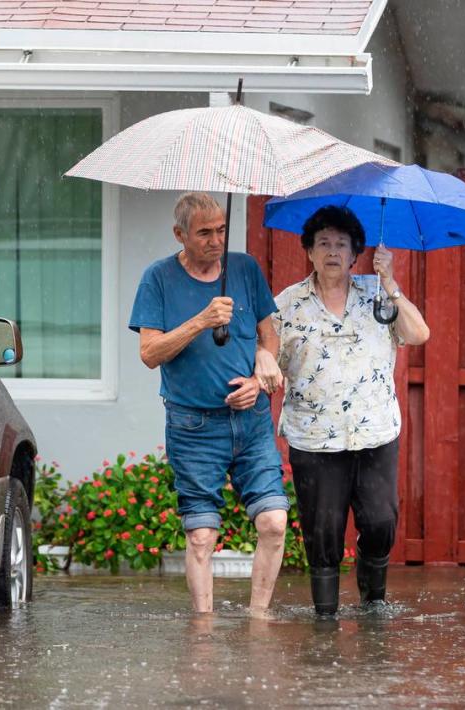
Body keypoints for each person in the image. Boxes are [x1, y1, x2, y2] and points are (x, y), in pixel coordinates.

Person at [129, 192, 289, 615]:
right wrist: (202, 319)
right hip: (193, 425)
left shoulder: (246, 269)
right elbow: (150, 353)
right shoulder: (158, 278)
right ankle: (202, 633)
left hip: (251, 419)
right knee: (201, 536)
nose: (216, 240)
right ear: (179, 234)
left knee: (273, 522)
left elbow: (267, 335)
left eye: (221, 230)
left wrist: (260, 372)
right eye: (204, 233)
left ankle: (259, 618)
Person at [273, 205, 430, 616]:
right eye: (322, 243)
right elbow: (266, 357)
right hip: (315, 437)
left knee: (380, 522)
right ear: (308, 250)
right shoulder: (287, 305)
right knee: (322, 532)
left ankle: (372, 604)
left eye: (341, 244)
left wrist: (391, 282)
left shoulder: (376, 296)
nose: (331, 252)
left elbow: (419, 333)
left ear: (355, 252)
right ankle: (324, 618)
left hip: (374, 432)